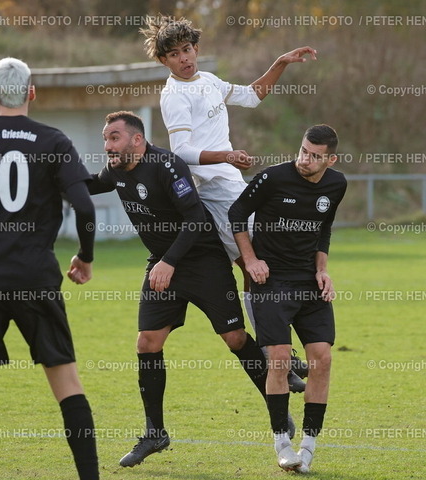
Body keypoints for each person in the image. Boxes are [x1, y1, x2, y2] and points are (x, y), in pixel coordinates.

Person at [86, 111, 283, 468]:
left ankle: (278, 410)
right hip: (164, 265)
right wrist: (50, 180)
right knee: (147, 342)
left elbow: (195, 219)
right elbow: (91, 185)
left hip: (202, 260)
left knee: (235, 338)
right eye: (105, 138)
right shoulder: (116, 169)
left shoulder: (167, 165)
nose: (107, 145)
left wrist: (169, 261)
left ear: (136, 140)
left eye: (114, 137)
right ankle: (155, 433)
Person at [0, 57, 99, 480]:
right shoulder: (53, 140)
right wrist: (85, 256)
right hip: (35, 277)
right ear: (32, 92)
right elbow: (84, 207)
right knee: (67, 382)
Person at [140, 15, 315, 391]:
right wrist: (227, 156)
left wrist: (280, 63)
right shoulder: (174, 95)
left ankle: (277, 349)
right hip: (214, 192)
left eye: (187, 49)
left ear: (196, 49)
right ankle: (275, 351)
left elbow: (251, 96)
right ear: (164, 61)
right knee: (256, 266)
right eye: (175, 54)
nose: (184, 58)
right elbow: (182, 151)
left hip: (233, 185)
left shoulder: (208, 80)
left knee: (260, 266)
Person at [228, 124, 347, 473]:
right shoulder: (273, 178)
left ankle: (308, 447)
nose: (305, 159)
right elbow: (236, 214)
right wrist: (251, 260)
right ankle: (282, 443)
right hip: (272, 281)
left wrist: (322, 270)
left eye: (315, 156)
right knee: (279, 358)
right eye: (303, 151)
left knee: (322, 359)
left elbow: (324, 228)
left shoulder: (337, 184)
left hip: (309, 282)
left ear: (330, 160)